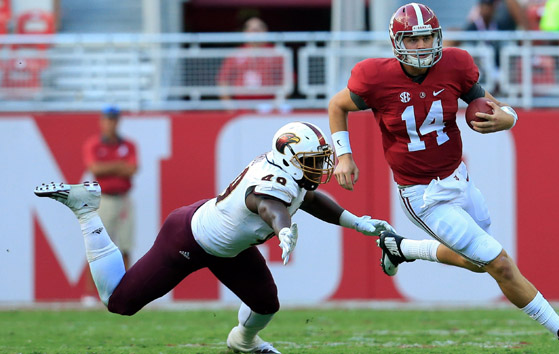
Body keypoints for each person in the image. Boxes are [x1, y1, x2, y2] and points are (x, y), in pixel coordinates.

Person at [327, 3, 559, 354]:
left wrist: (509, 118)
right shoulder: (374, 76)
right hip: (422, 194)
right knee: (498, 263)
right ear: (397, 43)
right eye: (414, 39)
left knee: (477, 262)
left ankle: (401, 247)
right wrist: (343, 154)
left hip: (459, 179)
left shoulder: (454, 64)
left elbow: (486, 102)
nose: (423, 46)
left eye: (427, 38)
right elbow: (338, 105)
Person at [35, 121, 395, 354]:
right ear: (288, 157)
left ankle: (243, 343)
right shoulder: (271, 184)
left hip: (229, 247)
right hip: (187, 240)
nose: (320, 167)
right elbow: (268, 205)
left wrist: (355, 222)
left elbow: (309, 198)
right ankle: (85, 210)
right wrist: (283, 228)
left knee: (266, 303)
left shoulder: (290, 174)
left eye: (320, 159)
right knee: (120, 303)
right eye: (312, 159)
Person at [83, 105, 138, 269]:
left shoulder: (128, 145)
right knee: (97, 247)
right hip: (103, 200)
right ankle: (91, 293)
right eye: (107, 120)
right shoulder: (94, 144)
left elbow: (132, 169)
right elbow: (94, 168)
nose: (110, 124)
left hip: (124, 199)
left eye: (113, 120)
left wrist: (107, 167)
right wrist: (120, 165)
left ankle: (126, 290)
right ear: (102, 122)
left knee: (125, 246)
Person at [216, 17, 287, 113]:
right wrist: (230, 107)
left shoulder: (276, 54)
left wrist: (277, 104)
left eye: (259, 29)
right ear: (245, 33)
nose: (256, 32)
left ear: (266, 32)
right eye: (252, 30)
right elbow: (223, 82)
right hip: (241, 107)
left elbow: (287, 83)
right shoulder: (235, 55)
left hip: (268, 107)